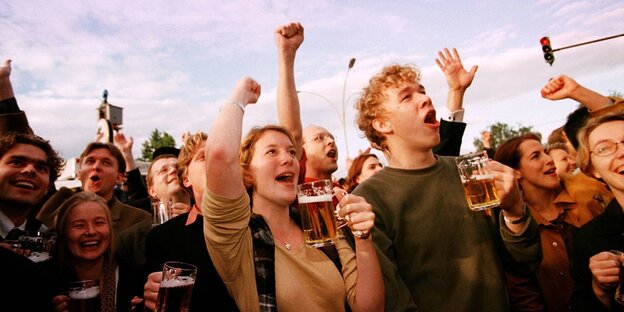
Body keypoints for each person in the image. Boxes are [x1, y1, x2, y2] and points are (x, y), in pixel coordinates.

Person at [351, 61, 539, 311]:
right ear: (383, 124)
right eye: (407, 97)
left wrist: (515, 210)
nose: (425, 98)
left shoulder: (472, 171)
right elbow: (392, 301)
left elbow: (525, 261)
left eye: (422, 90)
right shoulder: (369, 199)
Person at [202, 75, 384, 312]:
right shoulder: (237, 238)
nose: (288, 158)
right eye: (271, 152)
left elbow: (370, 308)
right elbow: (219, 155)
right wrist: (240, 97)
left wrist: (363, 238)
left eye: (291, 152)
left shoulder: (322, 227)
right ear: (247, 173)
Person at [494, 133, 605, 312]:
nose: (549, 159)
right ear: (516, 173)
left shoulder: (588, 200)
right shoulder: (514, 229)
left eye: (545, 152)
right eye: (536, 156)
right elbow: (523, 296)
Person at [142, 131, 238, 312]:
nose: (214, 160)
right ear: (186, 179)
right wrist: (148, 301)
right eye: (203, 156)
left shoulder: (255, 225)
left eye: (219, 156)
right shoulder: (162, 238)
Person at [47, 192, 140, 312]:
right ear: (63, 233)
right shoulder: (44, 283)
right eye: (79, 225)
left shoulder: (132, 274)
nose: (91, 231)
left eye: (99, 223)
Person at [571, 112, 624, 311]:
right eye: (604, 148)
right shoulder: (589, 239)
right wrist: (600, 290)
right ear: (592, 168)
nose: (621, 152)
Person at [37, 142, 150, 233]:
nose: (96, 167)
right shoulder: (57, 208)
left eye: (106, 163)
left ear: (119, 177)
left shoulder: (138, 220)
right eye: (90, 161)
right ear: (79, 173)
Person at [0, 132, 64, 246]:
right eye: (16, 162)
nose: (30, 170)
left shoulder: (50, 243)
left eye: (41, 168)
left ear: (47, 187)